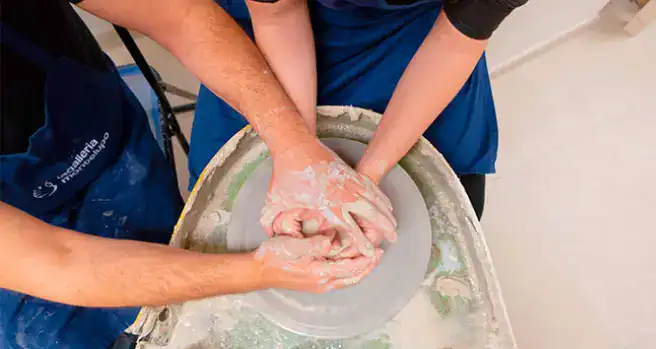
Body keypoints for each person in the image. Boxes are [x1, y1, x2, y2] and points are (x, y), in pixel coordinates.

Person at [1, 0, 390, 349]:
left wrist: (294, 146)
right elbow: (59, 262)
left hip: (92, 128)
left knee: (180, 238)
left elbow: (181, 16)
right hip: (22, 243)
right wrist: (258, 272)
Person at [191, 0, 528, 221]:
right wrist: (299, 155)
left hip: (416, 25)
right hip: (276, 21)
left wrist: (368, 177)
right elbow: (279, 15)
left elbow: (455, 41)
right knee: (223, 207)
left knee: (446, 206)